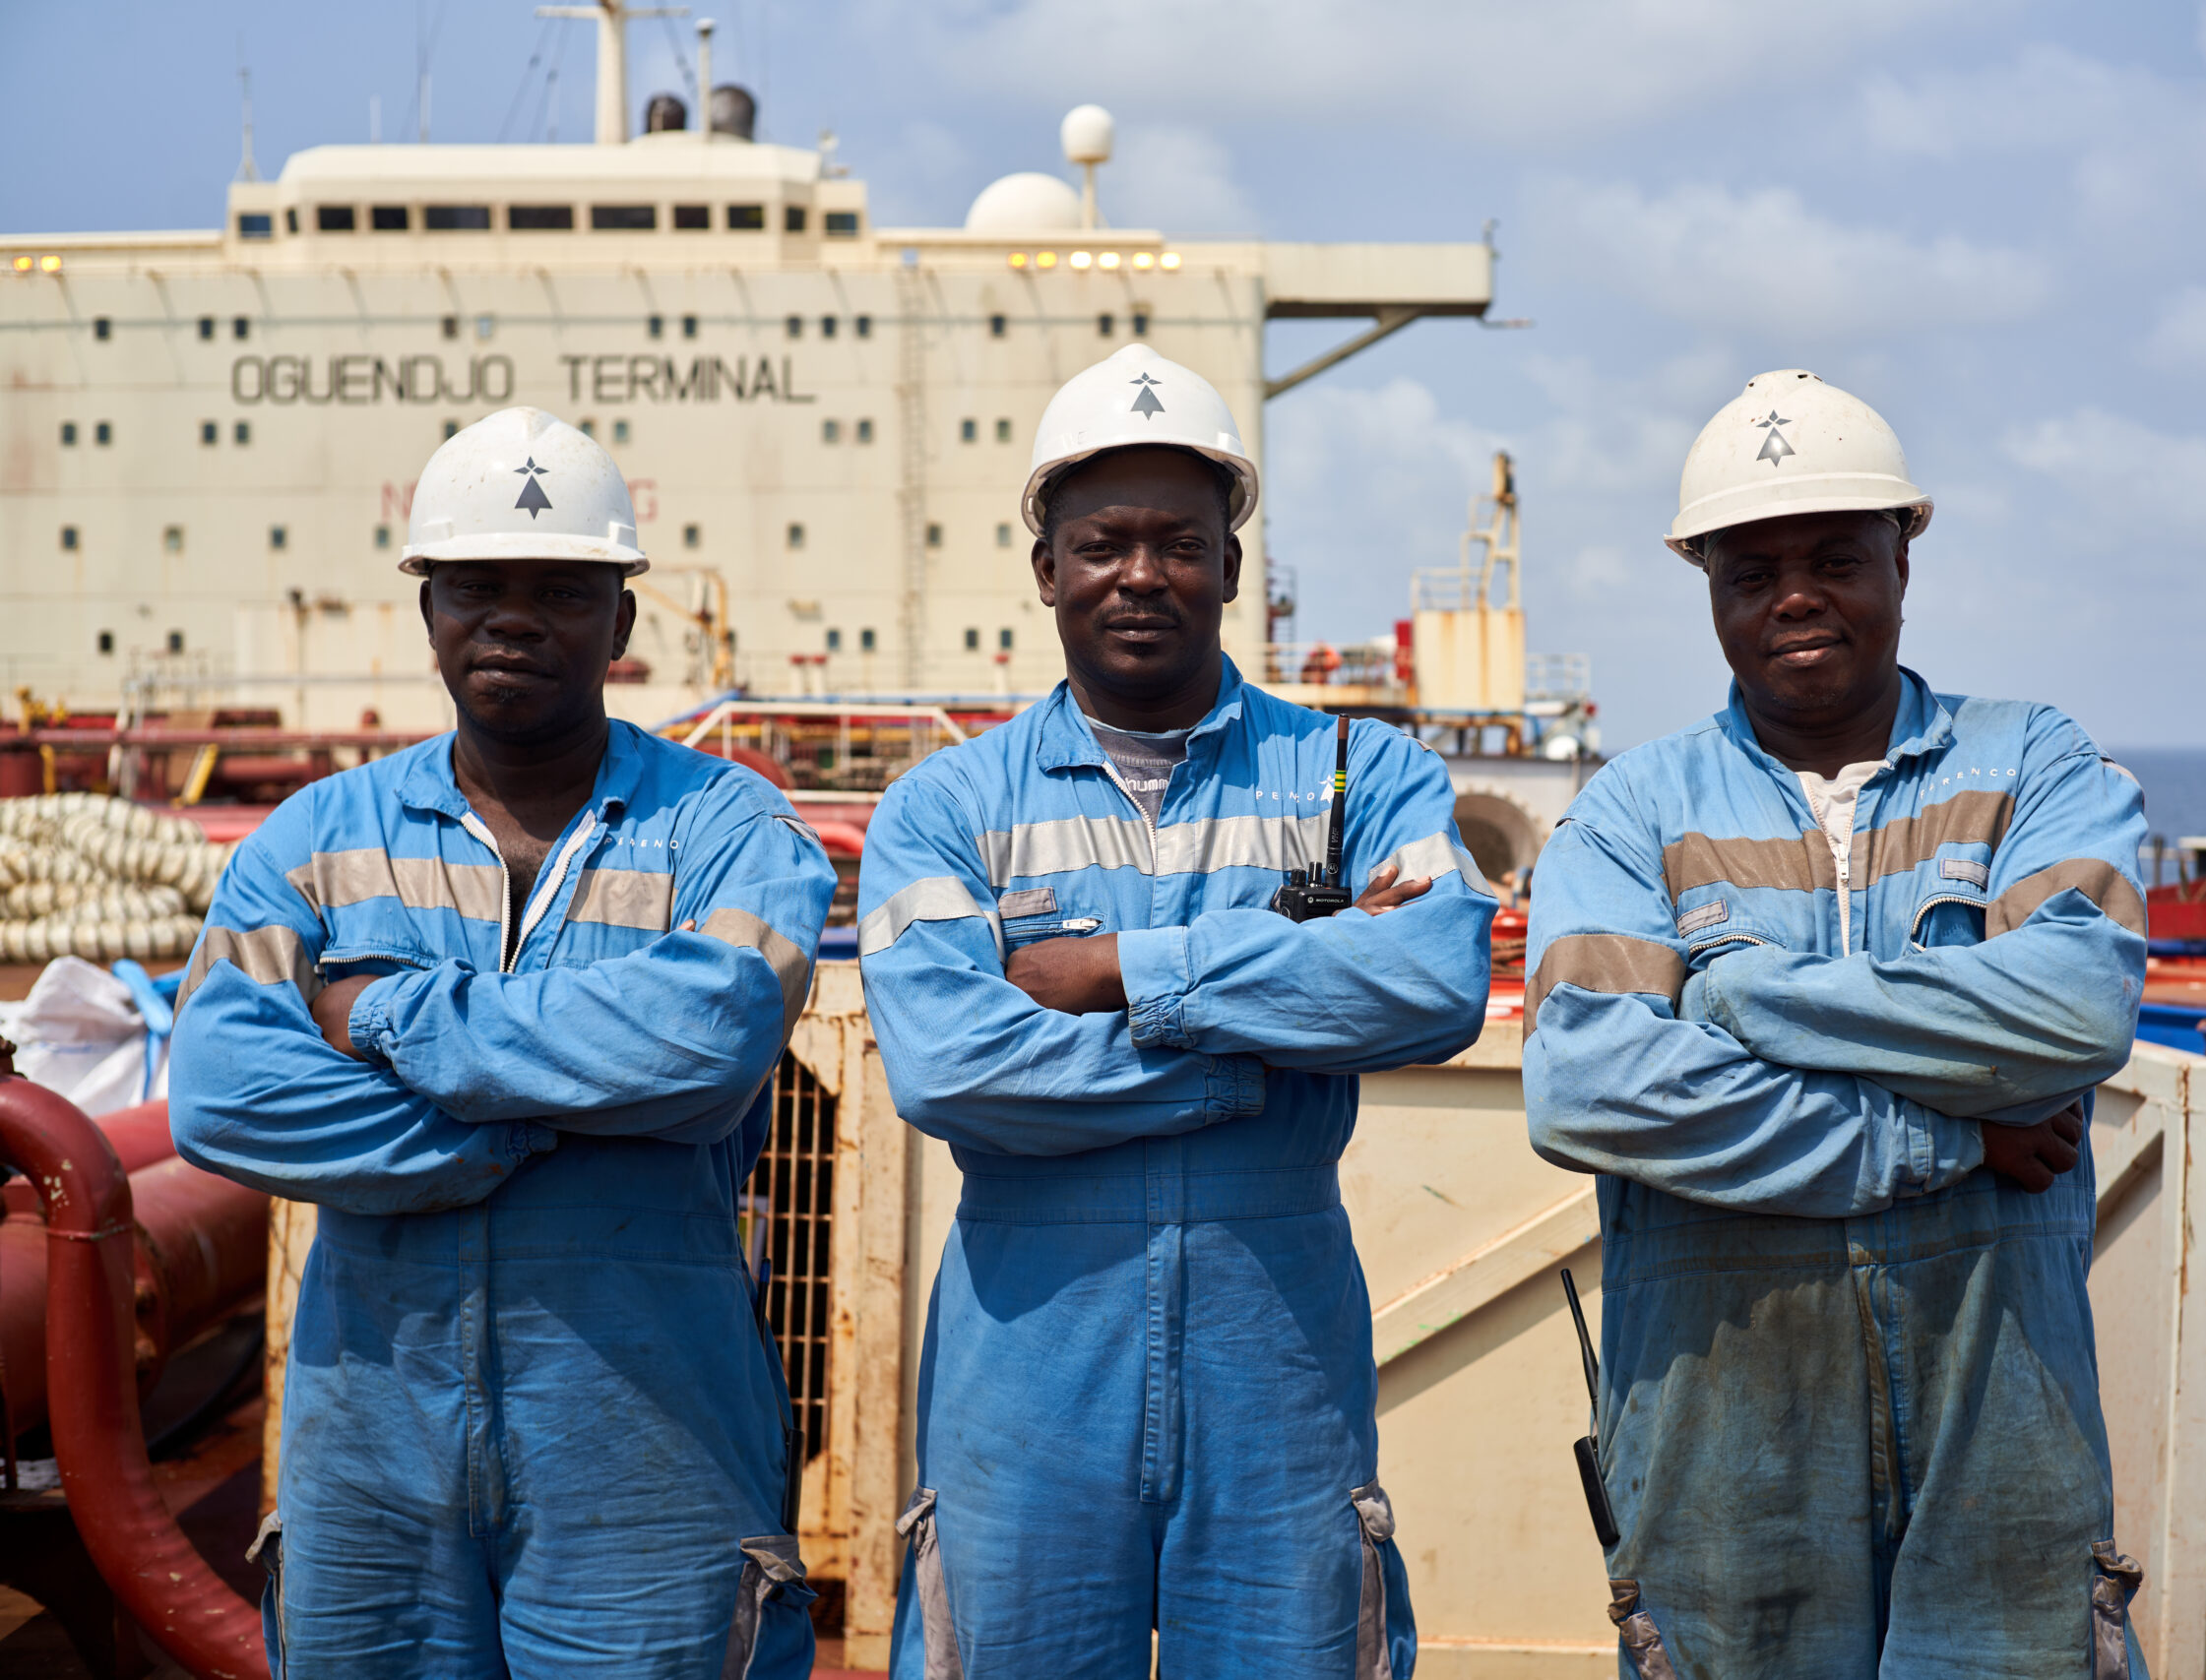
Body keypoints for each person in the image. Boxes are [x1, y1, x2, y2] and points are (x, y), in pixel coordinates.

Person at [857, 342, 1493, 1678]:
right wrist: (1251, 1051)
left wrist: (1127, 976)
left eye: (1179, 544)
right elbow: (949, 1066)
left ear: (1232, 566)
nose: (1141, 575)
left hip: (1278, 1365)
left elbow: (1434, 980)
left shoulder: (1351, 772)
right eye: (1102, 544)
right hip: (1028, 1366)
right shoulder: (947, 806)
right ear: (1047, 570)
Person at [170, 406, 837, 1679]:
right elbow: (220, 1095)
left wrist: (383, 1013)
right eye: (476, 585)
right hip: (370, 1446)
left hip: (649, 1437)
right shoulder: (313, 838)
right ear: (428, 610)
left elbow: (706, 1043)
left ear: (623, 624)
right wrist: (539, 1125)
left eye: (561, 592)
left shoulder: (730, 827)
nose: (513, 618)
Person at [1522, 370, 2151, 1679]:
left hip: (2004, 1435)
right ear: (1706, 587)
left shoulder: (2030, 762)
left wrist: (1745, 996)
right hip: (1719, 1454)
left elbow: (2077, 1006)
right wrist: (1951, 1140)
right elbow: (1588, 1086)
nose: (1794, 594)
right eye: (1751, 571)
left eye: (1833, 558)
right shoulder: (1634, 808)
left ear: (1904, 558)